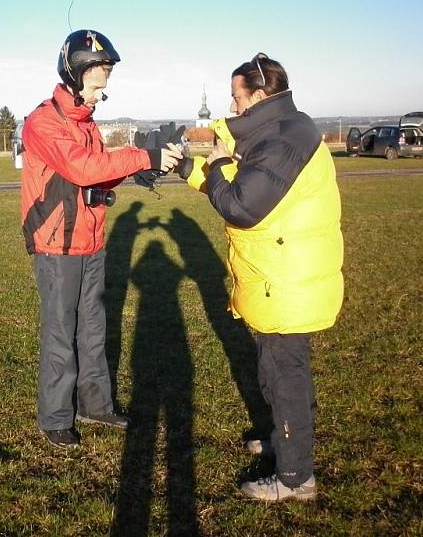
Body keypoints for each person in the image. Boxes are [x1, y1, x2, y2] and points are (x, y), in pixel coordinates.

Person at [177, 53, 343, 500]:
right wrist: (190, 169)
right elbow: (242, 187)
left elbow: (240, 206)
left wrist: (215, 166)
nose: (232, 108)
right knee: (281, 371)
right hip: (282, 273)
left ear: (260, 95)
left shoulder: (283, 141)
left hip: (285, 279)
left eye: (236, 98)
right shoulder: (285, 130)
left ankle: (294, 478)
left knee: (283, 374)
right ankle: (287, 442)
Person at [21, 29, 183, 450]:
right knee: (61, 330)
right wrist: (140, 156)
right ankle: (55, 416)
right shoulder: (42, 122)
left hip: (91, 238)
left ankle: (95, 404)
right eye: (96, 85)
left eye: (104, 86)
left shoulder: (85, 123)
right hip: (57, 244)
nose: (100, 93)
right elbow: (80, 168)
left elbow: (99, 172)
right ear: (74, 74)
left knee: (93, 326)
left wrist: (140, 168)